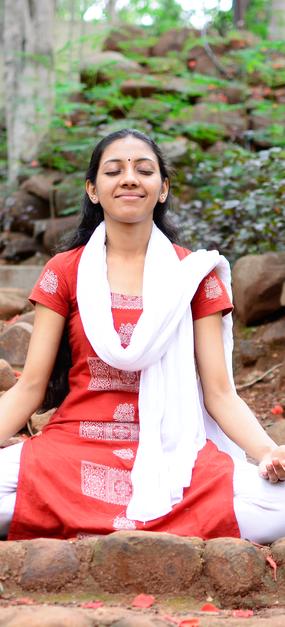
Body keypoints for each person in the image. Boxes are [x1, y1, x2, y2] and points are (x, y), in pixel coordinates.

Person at [1, 128, 285, 543]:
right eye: (114, 170)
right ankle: (163, 526)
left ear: (163, 188)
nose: (130, 178)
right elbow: (29, 387)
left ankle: (77, 521)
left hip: (171, 451)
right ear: (93, 190)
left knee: (278, 502)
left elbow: (220, 393)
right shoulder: (65, 270)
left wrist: (268, 452)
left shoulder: (194, 275)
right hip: (74, 446)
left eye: (144, 170)